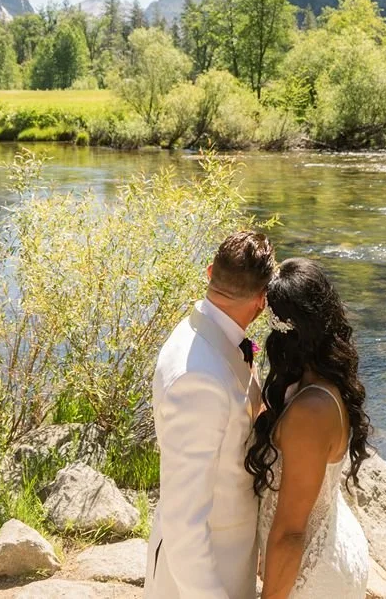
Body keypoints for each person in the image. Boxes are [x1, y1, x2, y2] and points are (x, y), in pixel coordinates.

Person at [144, 229, 276, 599]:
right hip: (203, 574)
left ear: (208, 273)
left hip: (230, 556)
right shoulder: (198, 379)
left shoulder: (209, 337)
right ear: (261, 302)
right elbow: (185, 522)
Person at [246, 257, 372, 599]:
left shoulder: (311, 412)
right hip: (332, 537)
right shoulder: (320, 378)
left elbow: (290, 532)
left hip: (312, 574)